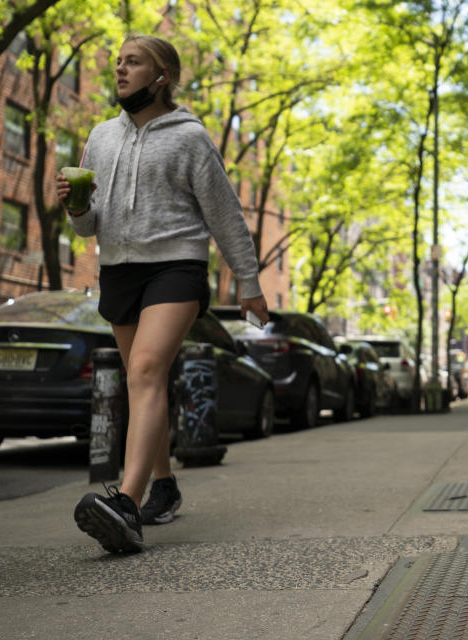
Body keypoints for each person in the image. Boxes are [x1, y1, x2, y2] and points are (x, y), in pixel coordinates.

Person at [55, 34, 268, 553]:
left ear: (161, 77)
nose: (121, 71)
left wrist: (249, 281)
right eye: (118, 63)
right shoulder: (101, 136)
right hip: (120, 270)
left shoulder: (189, 137)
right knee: (139, 381)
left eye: (134, 63)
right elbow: (87, 230)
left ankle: (126, 504)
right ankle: (164, 485)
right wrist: (76, 208)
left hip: (176, 265)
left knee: (147, 370)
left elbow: (224, 213)